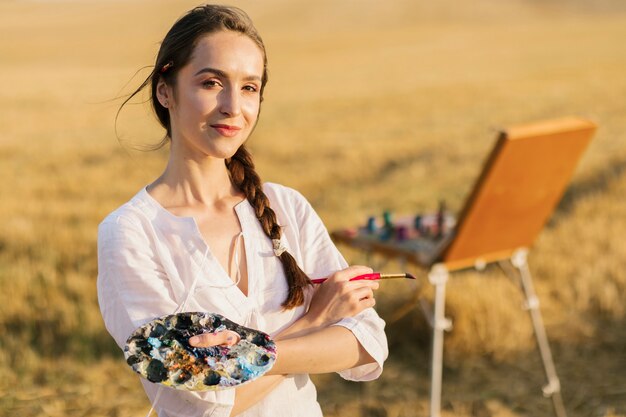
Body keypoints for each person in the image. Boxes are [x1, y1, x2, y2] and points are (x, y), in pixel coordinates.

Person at [97, 4, 388, 417]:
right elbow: (200, 408)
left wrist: (235, 360)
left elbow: (367, 342)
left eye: (249, 87)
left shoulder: (286, 206)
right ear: (165, 90)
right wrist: (313, 324)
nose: (233, 106)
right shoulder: (130, 233)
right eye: (212, 82)